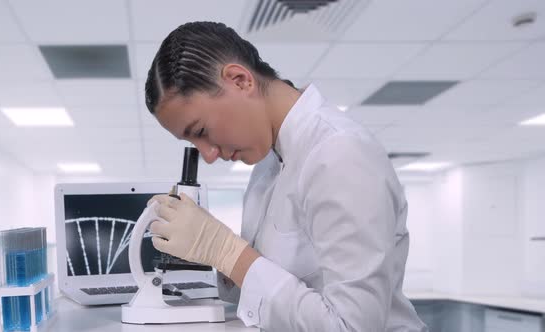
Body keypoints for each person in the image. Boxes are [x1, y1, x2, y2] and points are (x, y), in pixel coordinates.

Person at [144, 21, 427, 332]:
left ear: (239, 81)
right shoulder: (268, 163)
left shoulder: (339, 153)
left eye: (201, 131)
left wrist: (225, 250)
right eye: (194, 143)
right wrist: (206, 251)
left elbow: (351, 326)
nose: (208, 155)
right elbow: (266, 291)